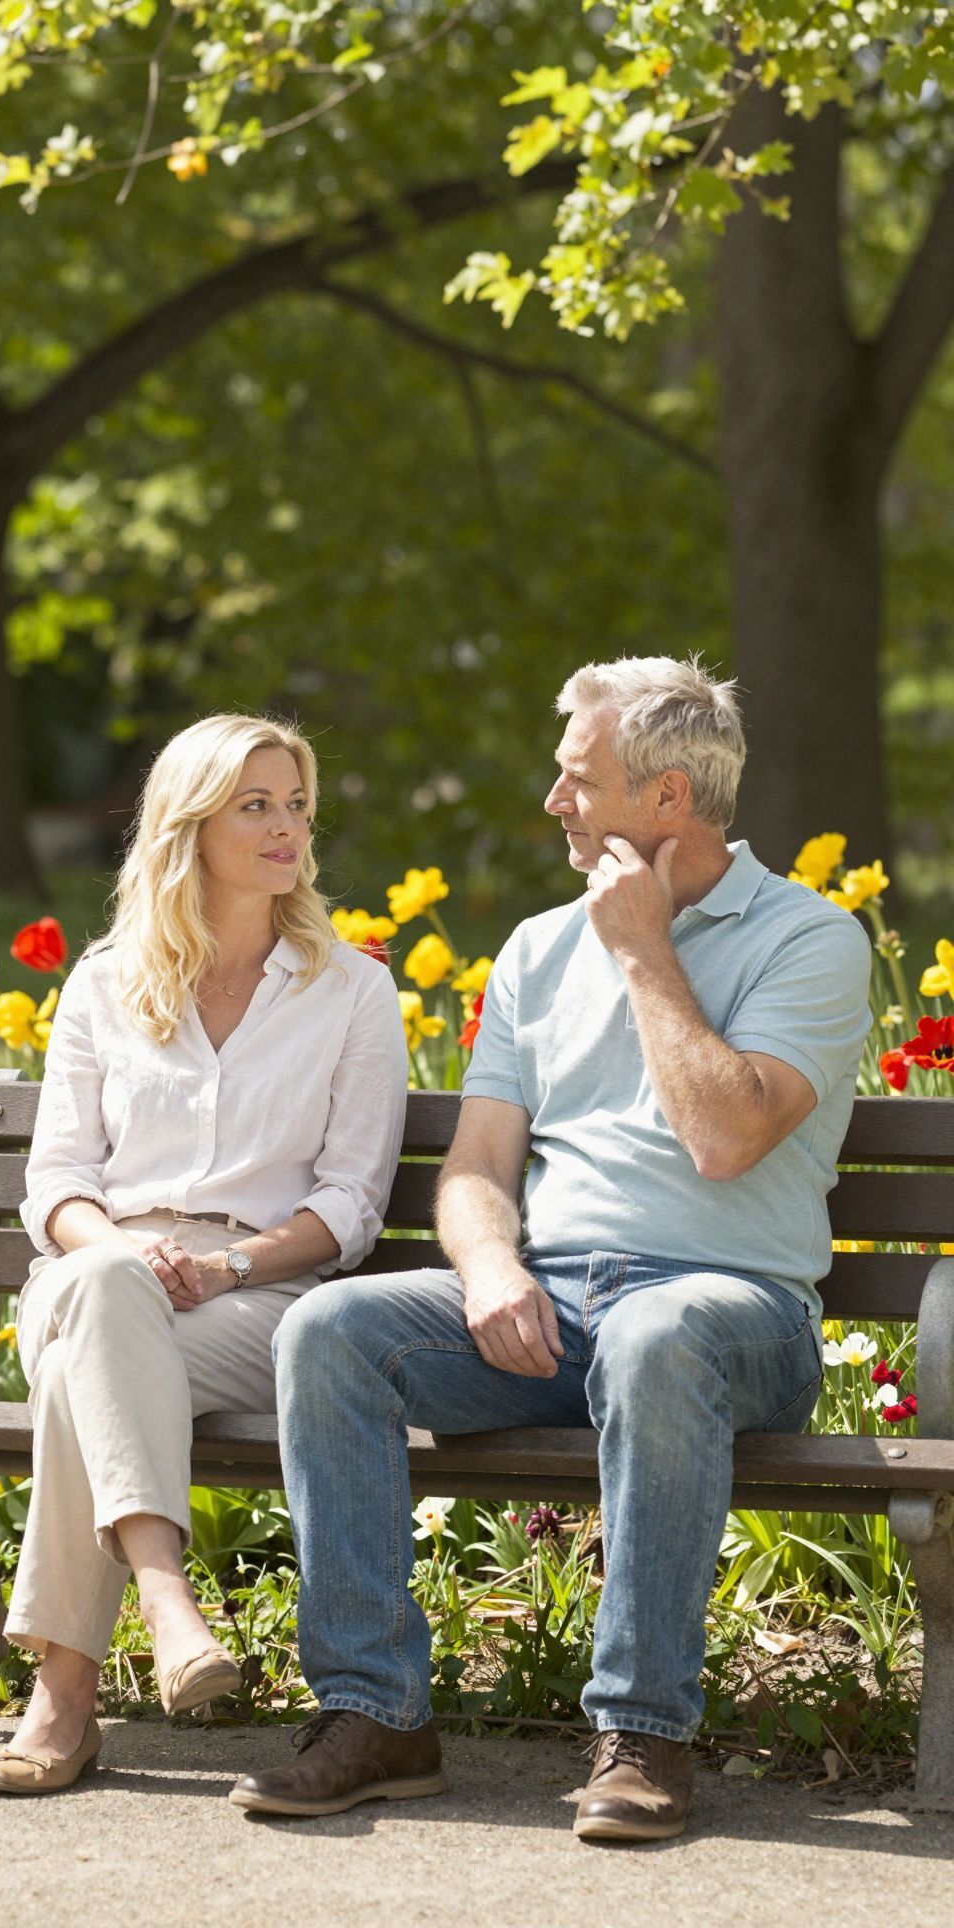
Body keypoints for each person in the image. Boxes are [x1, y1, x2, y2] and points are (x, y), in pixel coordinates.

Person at [230, 656, 872, 1840]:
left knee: (656, 1332)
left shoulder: (811, 940)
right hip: (555, 1306)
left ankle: (644, 1733)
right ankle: (373, 1712)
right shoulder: (534, 948)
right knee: (331, 1330)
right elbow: (475, 1169)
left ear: (668, 800)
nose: (552, 802)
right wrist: (490, 1269)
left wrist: (640, 948)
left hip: (732, 1316)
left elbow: (726, 1137)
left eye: (578, 779)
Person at [0, 713, 407, 1796]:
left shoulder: (351, 990)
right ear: (189, 825)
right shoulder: (105, 982)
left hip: (252, 1298)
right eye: (255, 805)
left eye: (297, 804)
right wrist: (127, 1251)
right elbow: (58, 1187)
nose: (288, 829)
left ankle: (66, 1699)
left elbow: (351, 1201)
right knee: (100, 1289)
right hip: (94, 1271)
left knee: (93, 1362)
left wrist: (225, 1265)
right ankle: (170, 1605)